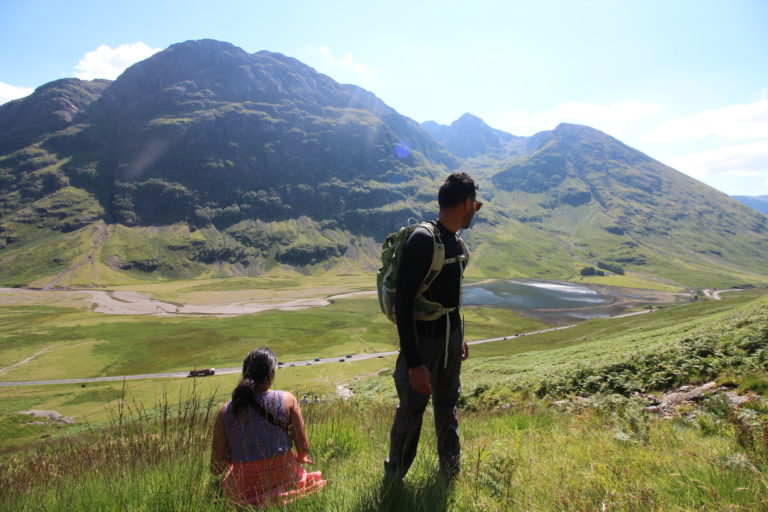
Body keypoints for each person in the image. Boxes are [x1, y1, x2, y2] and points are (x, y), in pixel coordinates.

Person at [384, 172, 481, 483]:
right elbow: (404, 304)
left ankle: (449, 476)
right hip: (423, 344)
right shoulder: (424, 240)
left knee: (447, 406)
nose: (476, 210)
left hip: (450, 340)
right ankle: (394, 479)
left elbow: (449, 297)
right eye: (475, 204)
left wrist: (458, 338)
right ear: (466, 203)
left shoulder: (455, 241)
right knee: (411, 412)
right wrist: (414, 364)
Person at [210, 348, 326, 506]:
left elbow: (216, 468)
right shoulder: (288, 400)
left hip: (242, 492)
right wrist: (301, 457)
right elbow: (303, 448)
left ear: (245, 374)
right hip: (286, 477)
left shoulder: (225, 411)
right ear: (271, 374)